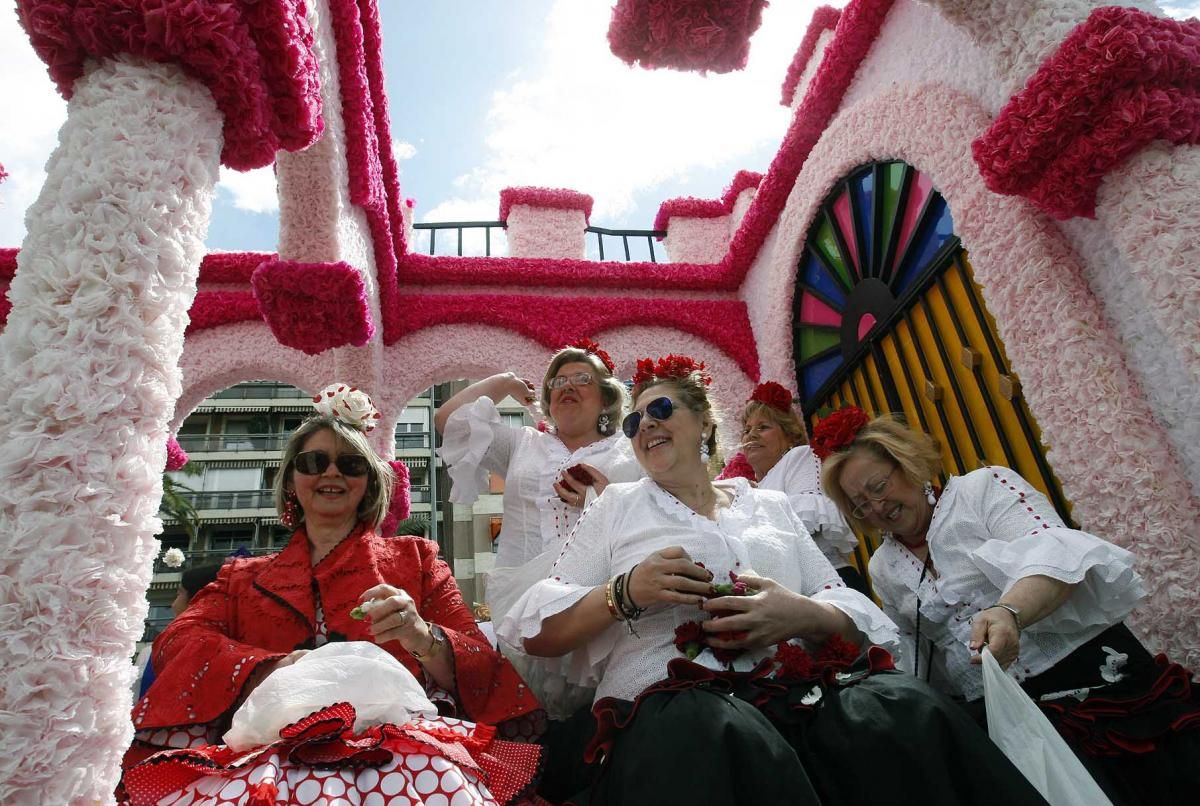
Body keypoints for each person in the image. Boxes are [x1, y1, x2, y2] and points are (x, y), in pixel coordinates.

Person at [498, 356, 1047, 805]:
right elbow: (538, 630)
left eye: (660, 408)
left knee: (902, 710)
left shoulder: (773, 506)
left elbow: (845, 609)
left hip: (799, 694)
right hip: (676, 714)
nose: (646, 426)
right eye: (634, 421)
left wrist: (801, 615)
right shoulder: (616, 507)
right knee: (712, 734)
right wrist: (625, 592)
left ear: (705, 424)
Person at [121, 384, 542, 805]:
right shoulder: (238, 577)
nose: (332, 473)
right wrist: (270, 667)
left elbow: (483, 666)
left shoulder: (417, 560)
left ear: (370, 483)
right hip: (262, 754)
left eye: (351, 464)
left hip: (401, 758)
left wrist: (423, 638)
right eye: (314, 461)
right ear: (291, 482)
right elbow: (176, 643)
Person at [817, 407, 1200, 806]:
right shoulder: (884, 567)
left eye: (878, 486)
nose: (877, 506)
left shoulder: (981, 490)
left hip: (1097, 690)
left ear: (908, 465)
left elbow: (1053, 550)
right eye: (860, 503)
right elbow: (917, 655)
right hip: (1007, 724)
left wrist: (1009, 612)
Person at [435, 339, 642, 716]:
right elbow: (449, 421)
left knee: (600, 719)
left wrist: (601, 497)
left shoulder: (629, 452)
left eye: (582, 378)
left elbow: (650, 518)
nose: (567, 386)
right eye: (558, 381)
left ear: (607, 398)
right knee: (527, 720)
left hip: (600, 604)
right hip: (523, 601)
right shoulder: (522, 444)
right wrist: (504, 383)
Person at [739, 381, 866, 595]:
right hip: (790, 596)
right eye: (747, 429)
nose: (751, 434)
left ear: (790, 436)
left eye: (763, 427)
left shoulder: (800, 456)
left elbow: (802, 523)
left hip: (829, 586)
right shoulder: (751, 489)